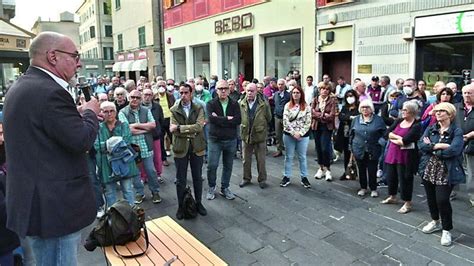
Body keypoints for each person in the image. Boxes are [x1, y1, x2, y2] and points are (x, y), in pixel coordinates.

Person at [3, 32, 100, 265]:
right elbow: (81, 140)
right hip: (52, 208)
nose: (79, 63)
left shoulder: (25, 86)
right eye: (74, 56)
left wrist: (74, 117)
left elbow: (44, 134)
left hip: (37, 202)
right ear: (53, 56)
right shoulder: (50, 92)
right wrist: (90, 112)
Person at [418, 102, 465, 246]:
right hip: (429, 167)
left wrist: (431, 148)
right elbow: (421, 145)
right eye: (436, 111)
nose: (437, 113)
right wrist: (438, 146)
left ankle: (446, 229)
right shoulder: (432, 128)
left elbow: (454, 150)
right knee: (431, 198)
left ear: (449, 114)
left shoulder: (456, 131)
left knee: (442, 200)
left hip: (446, 170)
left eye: (441, 111)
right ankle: (435, 221)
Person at [170, 83, 207, 220]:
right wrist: (189, 130)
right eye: (181, 93)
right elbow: (172, 129)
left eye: (186, 92)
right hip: (180, 147)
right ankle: (181, 206)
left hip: (197, 147)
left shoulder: (199, 108)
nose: (183, 95)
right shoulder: (174, 109)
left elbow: (199, 127)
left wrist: (180, 129)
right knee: (180, 179)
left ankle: (198, 203)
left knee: (197, 177)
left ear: (191, 94)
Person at [119, 89, 162, 204]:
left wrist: (136, 126)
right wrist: (144, 129)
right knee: (135, 173)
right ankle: (139, 193)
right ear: (129, 98)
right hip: (131, 148)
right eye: (132, 97)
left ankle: (155, 191)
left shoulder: (146, 110)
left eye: (137, 97)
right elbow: (127, 130)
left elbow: (153, 125)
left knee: (151, 170)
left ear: (140, 99)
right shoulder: (123, 112)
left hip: (146, 145)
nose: (135, 99)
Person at [381, 101, 422, 214]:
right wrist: (398, 138)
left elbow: (405, 141)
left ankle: (407, 202)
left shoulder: (417, 125)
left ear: (412, 112)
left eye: (405, 110)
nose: (402, 112)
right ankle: (392, 196)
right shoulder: (399, 121)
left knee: (405, 179)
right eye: (402, 110)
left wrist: (395, 138)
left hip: (406, 157)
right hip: (392, 154)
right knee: (391, 177)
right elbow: (386, 133)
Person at [94, 101, 135, 206]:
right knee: (110, 193)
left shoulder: (124, 125)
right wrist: (117, 144)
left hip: (124, 162)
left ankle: (132, 217)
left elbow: (126, 142)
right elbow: (97, 146)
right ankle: (113, 219)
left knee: (128, 190)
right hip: (106, 165)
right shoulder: (98, 128)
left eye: (112, 111)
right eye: (106, 111)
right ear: (101, 113)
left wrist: (108, 145)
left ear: (116, 112)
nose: (109, 114)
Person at [206, 80, 241, 200]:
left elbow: (237, 120)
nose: (223, 90)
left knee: (228, 165)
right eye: (220, 88)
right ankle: (211, 187)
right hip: (215, 139)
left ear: (229, 89)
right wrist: (228, 119)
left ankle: (225, 188)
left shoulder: (234, 104)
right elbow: (211, 119)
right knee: (212, 165)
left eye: (225, 88)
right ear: (216, 90)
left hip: (230, 139)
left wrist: (220, 119)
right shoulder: (211, 103)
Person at [350, 99, 386, 197]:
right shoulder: (355, 120)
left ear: (371, 109)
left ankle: (373, 188)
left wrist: (380, 142)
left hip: (373, 149)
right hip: (358, 148)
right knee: (361, 169)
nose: (365, 109)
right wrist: (351, 147)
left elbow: (385, 134)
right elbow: (351, 134)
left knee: (372, 169)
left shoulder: (378, 120)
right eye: (363, 107)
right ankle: (363, 187)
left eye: (367, 107)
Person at [239, 83, 272, 189]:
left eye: (252, 91)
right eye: (248, 90)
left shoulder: (263, 103)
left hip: (260, 135)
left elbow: (269, 117)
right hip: (246, 134)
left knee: (261, 160)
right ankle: (246, 178)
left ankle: (262, 180)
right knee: (245, 159)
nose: (249, 93)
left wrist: (261, 126)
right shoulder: (240, 103)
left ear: (256, 92)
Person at [280, 86, 312, 188]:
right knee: (288, 156)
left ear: (301, 94)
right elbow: (285, 121)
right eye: (293, 92)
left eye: (297, 92)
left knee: (302, 157)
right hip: (289, 135)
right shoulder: (287, 106)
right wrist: (293, 133)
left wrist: (300, 133)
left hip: (303, 136)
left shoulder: (307, 107)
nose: (295, 94)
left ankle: (304, 177)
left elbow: (308, 122)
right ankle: (287, 176)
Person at [312, 83, 337, 181]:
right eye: (322, 89)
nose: (324, 91)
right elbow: (311, 113)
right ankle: (320, 168)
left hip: (327, 127)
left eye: (327, 89)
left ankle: (328, 169)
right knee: (318, 148)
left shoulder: (332, 101)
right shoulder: (315, 100)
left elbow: (331, 116)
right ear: (319, 90)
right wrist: (323, 115)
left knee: (325, 148)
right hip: (316, 126)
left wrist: (319, 115)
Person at [454, 84, 474, 207]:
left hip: (472, 144)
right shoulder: (456, 107)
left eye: (470, 93)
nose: (466, 95)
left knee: (472, 172)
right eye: (465, 93)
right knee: (453, 167)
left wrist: (470, 135)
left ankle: (472, 196)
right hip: (457, 143)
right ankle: (452, 191)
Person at [334, 90, 359, 180]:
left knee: (356, 154)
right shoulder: (345, 107)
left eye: (351, 96)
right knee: (346, 153)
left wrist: (348, 117)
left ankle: (357, 172)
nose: (349, 98)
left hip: (356, 134)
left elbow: (358, 117)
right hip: (345, 133)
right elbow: (341, 116)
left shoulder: (359, 106)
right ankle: (346, 172)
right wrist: (349, 117)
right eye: (347, 96)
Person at [273, 79, 290, 157]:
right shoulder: (275, 94)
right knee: (278, 135)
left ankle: (289, 151)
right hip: (277, 117)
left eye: (282, 84)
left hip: (286, 118)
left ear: (284, 85)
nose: (280, 86)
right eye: (279, 84)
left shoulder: (289, 95)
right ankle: (279, 150)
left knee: (287, 135)